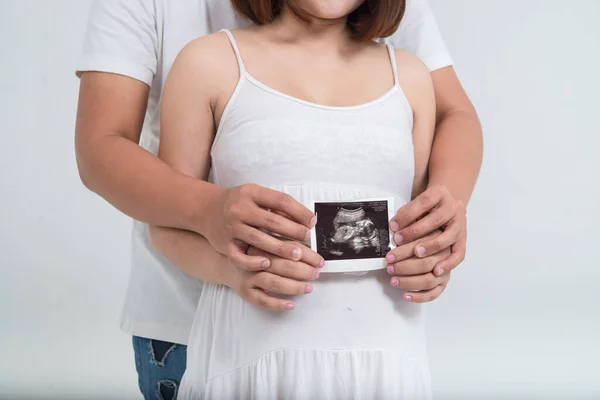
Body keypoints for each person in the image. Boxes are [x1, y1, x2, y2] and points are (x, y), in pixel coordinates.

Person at [74, 0, 482, 397]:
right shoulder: (206, 62)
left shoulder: (407, 76)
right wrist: (207, 212)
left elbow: (451, 120)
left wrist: (437, 230)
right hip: (209, 330)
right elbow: (102, 147)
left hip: (382, 356)